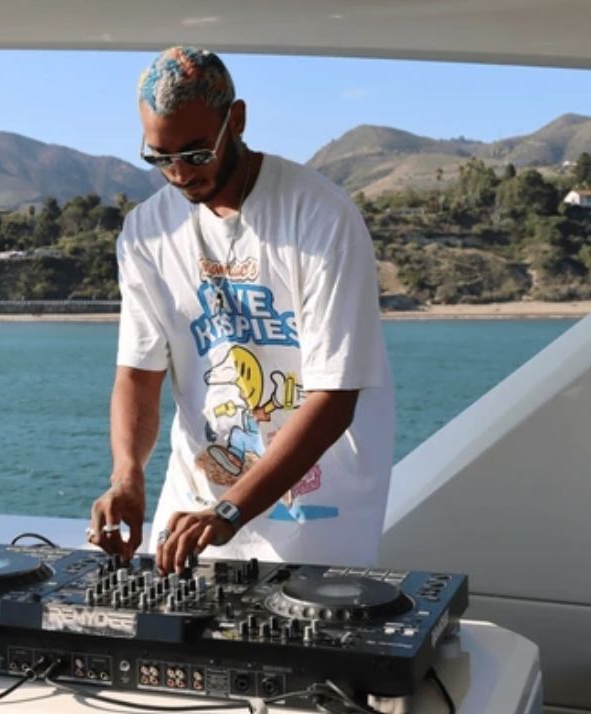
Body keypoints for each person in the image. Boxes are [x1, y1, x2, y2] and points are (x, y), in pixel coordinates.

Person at [88, 46, 394, 575]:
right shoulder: (146, 231)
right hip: (194, 511)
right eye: (160, 157)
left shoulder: (320, 216)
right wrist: (127, 476)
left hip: (317, 520)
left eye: (196, 153)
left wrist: (230, 510)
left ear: (238, 120)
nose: (179, 173)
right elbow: (138, 372)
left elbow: (335, 396)